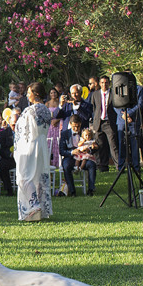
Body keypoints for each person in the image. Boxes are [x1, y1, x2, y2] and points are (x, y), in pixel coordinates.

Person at [14, 82, 53, 222]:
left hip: (29, 144)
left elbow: (23, 131)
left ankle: (33, 205)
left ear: (36, 94)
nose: (27, 95)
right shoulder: (47, 110)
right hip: (42, 145)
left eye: (29, 92)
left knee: (23, 176)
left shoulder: (30, 111)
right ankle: (39, 210)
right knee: (38, 177)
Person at [59, 115, 96, 197]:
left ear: (80, 124)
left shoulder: (85, 132)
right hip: (70, 157)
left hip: (84, 158)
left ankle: (91, 189)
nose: (76, 129)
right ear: (70, 124)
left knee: (91, 164)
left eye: (78, 126)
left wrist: (89, 150)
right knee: (66, 165)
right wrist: (72, 152)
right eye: (74, 126)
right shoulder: (65, 134)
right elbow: (61, 151)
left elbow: (95, 145)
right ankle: (72, 191)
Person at [88, 75, 119, 171]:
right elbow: (94, 108)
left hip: (109, 122)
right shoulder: (95, 94)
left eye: (106, 83)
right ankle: (102, 165)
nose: (104, 84)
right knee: (100, 145)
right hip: (99, 122)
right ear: (99, 84)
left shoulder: (114, 93)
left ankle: (118, 165)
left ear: (109, 83)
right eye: (102, 83)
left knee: (113, 145)